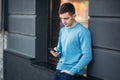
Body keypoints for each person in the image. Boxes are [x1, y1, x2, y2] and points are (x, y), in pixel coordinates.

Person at [50, 2, 92, 80]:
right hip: (59, 68)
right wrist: (56, 53)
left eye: (66, 18)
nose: (63, 21)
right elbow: (60, 51)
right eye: (61, 18)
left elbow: (87, 56)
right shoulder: (62, 30)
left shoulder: (83, 31)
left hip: (71, 73)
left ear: (74, 16)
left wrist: (72, 71)